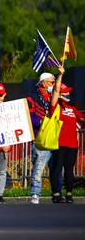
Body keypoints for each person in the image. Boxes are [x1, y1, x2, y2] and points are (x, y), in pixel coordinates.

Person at [49, 67, 85, 203]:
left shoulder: (72, 108)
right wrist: (59, 75)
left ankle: (69, 193)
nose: (68, 95)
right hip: (59, 142)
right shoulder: (54, 106)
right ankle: (56, 193)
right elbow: (56, 90)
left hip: (72, 144)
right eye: (66, 92)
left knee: (69, 169)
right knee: (57, 167)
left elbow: (81, 118)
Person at [29, 72, 59, 204]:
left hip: (54, 137)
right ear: (43, 83)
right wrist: (41, 122)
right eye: (51, 82)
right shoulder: (33, 98)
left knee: (56, 168)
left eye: (54, 83)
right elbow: (29, 116)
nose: (53, 85)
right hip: (39, 138)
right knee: (39, 167)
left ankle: (56, 193)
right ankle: (35, 194)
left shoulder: (54, 98)